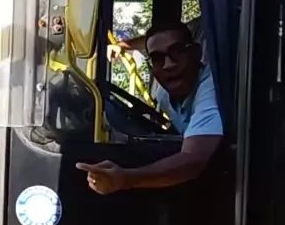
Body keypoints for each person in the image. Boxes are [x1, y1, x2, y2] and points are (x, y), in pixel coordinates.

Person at [77, 21, 223, 193]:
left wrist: (125, 179)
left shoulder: (212, 87)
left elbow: (193, 159)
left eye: (177, 52)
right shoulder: (163, 94)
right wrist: (122, 46)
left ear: (196, 53)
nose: (168, 64)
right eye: (157, 59)